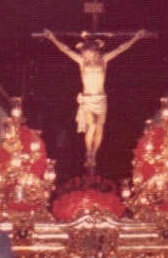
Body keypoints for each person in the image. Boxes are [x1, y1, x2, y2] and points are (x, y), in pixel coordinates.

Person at [40, 29, 147, 168]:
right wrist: (53, 38)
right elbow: (66, 50)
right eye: (85, 53)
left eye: (89, 53)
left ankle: (94, 154)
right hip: (88, 99)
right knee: (91, 126)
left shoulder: (104, 60)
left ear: (95, 51)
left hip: (101, 99)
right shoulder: (82, 62)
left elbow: (120, 49)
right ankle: (88, 152)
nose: (86, 56)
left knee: (99, 127)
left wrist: (135, 38)